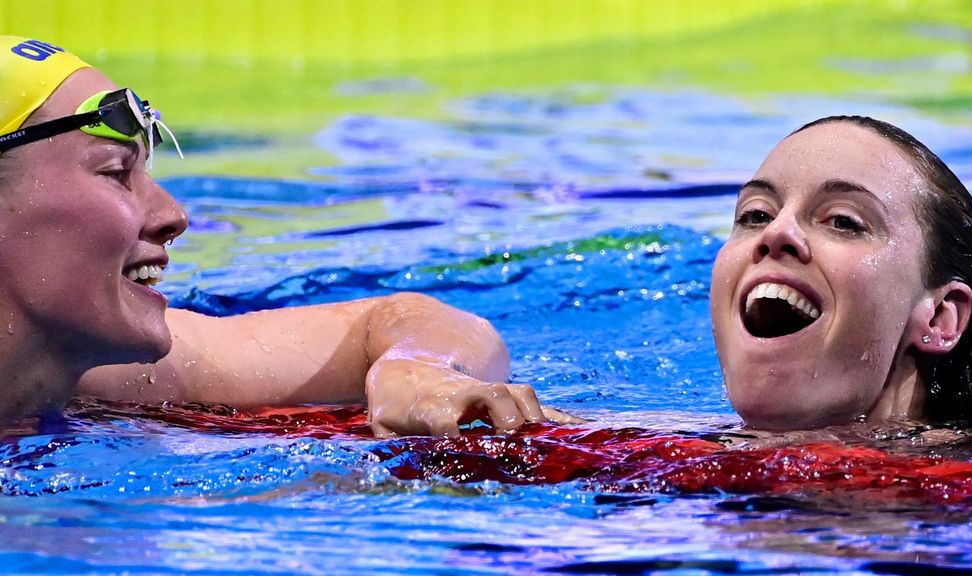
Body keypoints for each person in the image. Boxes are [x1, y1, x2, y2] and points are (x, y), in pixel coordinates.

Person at [0, 35, 570, 436]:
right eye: (115, 171)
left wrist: (417, 367)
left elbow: (397, 319)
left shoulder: (117, 369)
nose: (173, 215)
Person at [710, 115, 972, 433]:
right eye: (756, 215)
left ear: (941, 316)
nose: (776, 233)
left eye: (843, 222)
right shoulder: (666, 451)